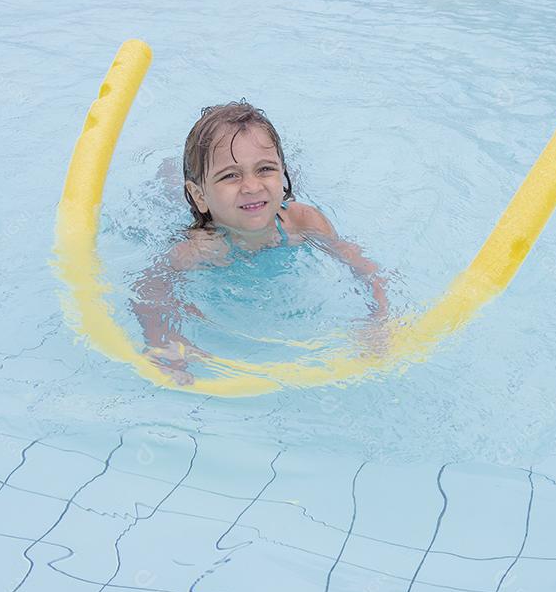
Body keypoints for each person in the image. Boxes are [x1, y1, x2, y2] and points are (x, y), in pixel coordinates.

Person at [132, 100, 390, 385]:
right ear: (200, 196)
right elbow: (149, 291)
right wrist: (164, 341)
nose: (251, 186)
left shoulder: (303, 222)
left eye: (266, 169)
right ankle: (174, 173)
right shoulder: (196, 249)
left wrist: (379, 319)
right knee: (169, 187)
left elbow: (366, 268)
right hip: (193, 211)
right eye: (230, 175)